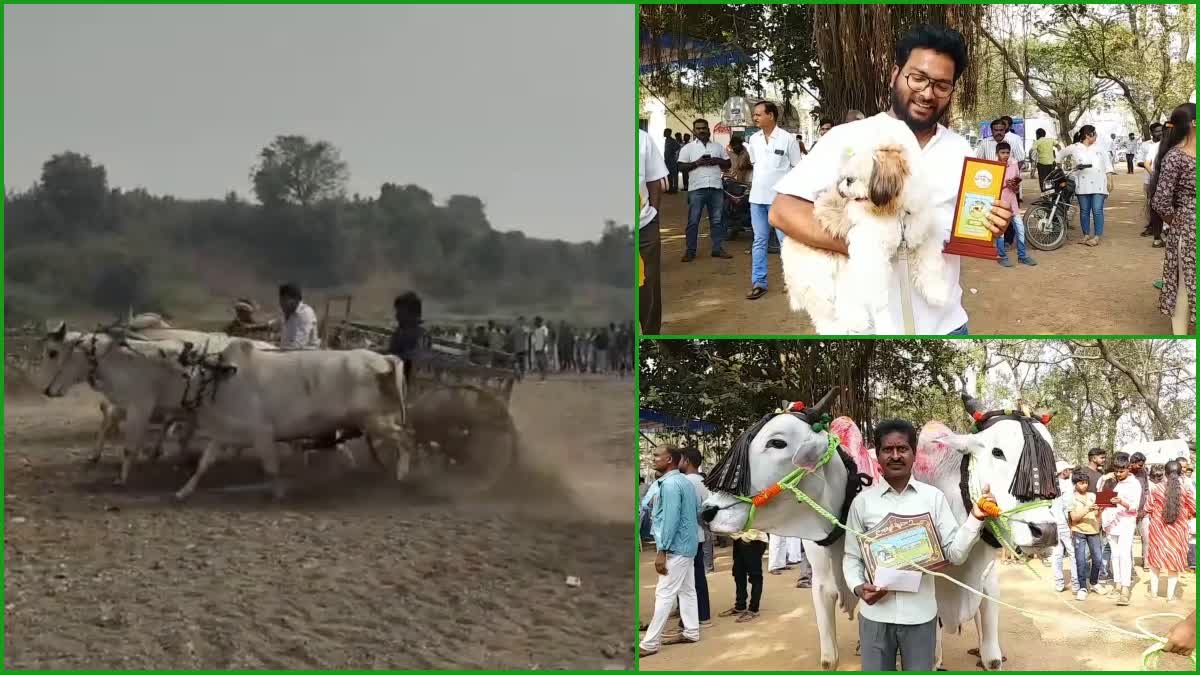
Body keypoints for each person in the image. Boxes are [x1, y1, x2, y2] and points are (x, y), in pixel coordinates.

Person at [770, 24, 1012, 335]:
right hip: (866, 329)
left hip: (946, 325)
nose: (927, 93)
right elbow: (782, 210)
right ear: (895, 74)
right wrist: (869, 245)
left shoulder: (961, 149)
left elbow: (961, 232)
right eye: (918, 78)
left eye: (941, 85)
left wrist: (993, 224)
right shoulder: (847, 138)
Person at [843, 419, 999, 670]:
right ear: (878, 455)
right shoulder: (862, 503)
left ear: (914, 453)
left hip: (920, 618)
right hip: (874, 617)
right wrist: (858, 587)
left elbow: (954, 554)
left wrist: (975, 518)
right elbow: (852, 557)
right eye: (887, 449)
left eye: (902, 449)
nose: (895, 456)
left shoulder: (933, 499)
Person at [639, 446, 701, 657]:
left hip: (675, 547)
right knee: (687, 590)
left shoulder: (671, 484)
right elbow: (695, 512)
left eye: (657, 455)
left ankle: (649, 643)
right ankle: (691, 631)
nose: (653, 458)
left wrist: (662, 549)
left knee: (664, 593)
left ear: (669, 460)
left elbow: (671, 519)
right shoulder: (684, 481)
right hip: (687, 545)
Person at [745, 100, 803, 301]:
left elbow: (797, 168)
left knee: (785, 242)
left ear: (771, 115)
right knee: (759, 241)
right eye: (755, 115)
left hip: (780, 201)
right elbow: (756, 165)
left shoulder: (788, 139)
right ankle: (758, 282)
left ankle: (792, 282)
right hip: (757, 199)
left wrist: (793, 198)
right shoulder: (753, 139)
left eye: (758, 114)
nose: (755, 118)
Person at [1149, 102, 1196, 336]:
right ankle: (1180, 335)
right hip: (1189, 229)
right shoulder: (1175, 157)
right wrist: (1178, 222)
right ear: (1194, 123)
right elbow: (1160, 200)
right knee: (1185, 288)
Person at [677, 118, 733, 262]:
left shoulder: (718, 147)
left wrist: (717, 161)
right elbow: (680, 167)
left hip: (716, 188)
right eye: (698, 128)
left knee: (717, 220)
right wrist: (697, 163)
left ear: (708, 129)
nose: (702, 130)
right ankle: (690, 251)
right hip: (696, 189)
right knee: (693, 221)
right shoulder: (688, 148)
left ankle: (717, 248)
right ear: (694, 131)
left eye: (704, 128)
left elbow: (728, 164)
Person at [1145, 460, 1197, 602]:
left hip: (1158, 530)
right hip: (1177, 531)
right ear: (1181, 473)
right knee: (1173, 562)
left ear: (1165, 474)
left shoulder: (1156, 489)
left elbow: (1147, 508)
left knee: (1155, 560)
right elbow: (1194, 509)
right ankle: (1170, 596)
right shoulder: (1185, 491)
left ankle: (1153, 593)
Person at [1100, 452, 1143, 606]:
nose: (1118, 474)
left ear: (1128, 468)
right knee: (1115, 555)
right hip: (1110, 522)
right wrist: (1105, 479)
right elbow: (1101, 496)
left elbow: (1134, 507)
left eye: (1121, 471)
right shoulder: (1112, 480)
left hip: (1126, 522)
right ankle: (1117, 584)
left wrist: (1122, 502)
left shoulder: (1134, 484)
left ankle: (1125, 589)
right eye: (1116, 471)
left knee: (1124, 554)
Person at [639, 128, 669, 335]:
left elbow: (654, 179)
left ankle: (650, 335)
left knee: (648, 286)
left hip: (643, 226)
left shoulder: (641, 138)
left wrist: (654, 215)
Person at [679, 448, 712, 629]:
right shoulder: (704, 482)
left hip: (685, 537)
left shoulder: (685, 482)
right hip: (699, 534)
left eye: (679, 459)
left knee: (688, 579)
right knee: (698, 576)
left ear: (686, 461)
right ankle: (703, 614)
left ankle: (693, 617)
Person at [1072, 124, 1116, 247]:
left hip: (1099, 184)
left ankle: (1096, 236)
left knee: (1097, 210)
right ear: (1087, 135)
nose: (1096, 136)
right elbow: (1062, 156)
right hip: (1082, 183)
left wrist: (1110, 180)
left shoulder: (1100, 148)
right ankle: (1086, 235)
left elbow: (1107, 165)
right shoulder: (1076, 148)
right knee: (1084, 211)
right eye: (1094, 134)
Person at [994, 142, 1036, 267]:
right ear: (997, 154)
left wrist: (1015, 186)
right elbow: (991, 188)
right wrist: (1006, 184)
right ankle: (1001, 256)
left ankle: (1022, 256)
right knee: (1000, 232)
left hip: (1013, 202)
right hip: (1000, 203)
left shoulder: (1013, 165)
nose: (1006, 155)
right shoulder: (994, 167)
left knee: (1020, 229)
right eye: (1003, 153)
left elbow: (1017, 186)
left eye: (1007, 152)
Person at [720, 527, 769, 623]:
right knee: (738, 573)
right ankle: (740, 606)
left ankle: (753, 609)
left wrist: (747, 537)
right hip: (738, 538)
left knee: (755, 576)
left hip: (755, 539)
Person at [1068, 469, 1103, 601]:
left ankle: (1094, 582)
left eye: (1086, 483)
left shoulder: (1093, 496)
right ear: (1075, 484)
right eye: (1081, 483)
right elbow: (1074, 517)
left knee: (1098, 559)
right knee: (1081, 560)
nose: (1084, 485)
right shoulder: (1071, 498)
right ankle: (1082, 587)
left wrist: (1099, 510)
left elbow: (1097, 515)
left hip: (1093, 530)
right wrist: (1088, 508)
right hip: (1079, 531)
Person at [1050, 461, 1076, 594]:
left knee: (1057, 554)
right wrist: (1072, 525)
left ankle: (1059, 583)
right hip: (1065, 524)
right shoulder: (1068, 485)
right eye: (1068, 470)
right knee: (1072, 553)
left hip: (1053, 524)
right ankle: (1076, 584)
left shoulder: (1050, 485)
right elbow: (1068, 508)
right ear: (1063, 471)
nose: (1070, 472)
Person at [1138, 122, 1165, 246]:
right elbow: (1143, 162)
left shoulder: (1174, 144)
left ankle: (1161, 232)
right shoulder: (1150, 146)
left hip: (1164, 181)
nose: (1160, 133)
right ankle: (1154, 230)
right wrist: (1155, 175)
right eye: (1157, 131)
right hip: (1151, 181)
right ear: (1152, 133)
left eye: (1162, 130)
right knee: (1152, 205)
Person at [277, 282, 320, 350]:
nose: (282, 304)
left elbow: (298, 344)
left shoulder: (305, 313)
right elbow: (285, 342)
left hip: (305, 356)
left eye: (285, 300)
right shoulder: (286, 313)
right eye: (281, 300)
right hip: (287, 354)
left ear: (296, 299)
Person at [1130, 452, 1151, 569]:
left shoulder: (1143, 472)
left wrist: (1145, 508)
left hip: (1143, 511)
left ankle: (1146, 562)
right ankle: (1130, 566)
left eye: (1142, 465)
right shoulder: (1125, 473)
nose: (1141, 467)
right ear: (1132, 463)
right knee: (1129, 540)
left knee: (1147, 537)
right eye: (1139, 465)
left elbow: (1146, 490)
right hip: (1129, 513)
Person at [662, 127, 682, 193]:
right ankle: (670, 188)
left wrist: (673, 152)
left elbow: (678, 146)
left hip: (672, 160)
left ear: (669, 133)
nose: (664, 133)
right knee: (669, 175)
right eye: (664, 132)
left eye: (665, 132)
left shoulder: (672, 140)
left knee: (674, 174)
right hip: (667, 160)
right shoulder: (666, 140)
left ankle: (675, 188)